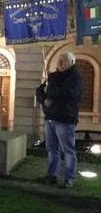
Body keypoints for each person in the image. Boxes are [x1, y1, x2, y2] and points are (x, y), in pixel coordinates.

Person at [35, 52, 83, 188]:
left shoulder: (76, 78)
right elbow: (39, 91)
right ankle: (52, 175)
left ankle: (69, 178)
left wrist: (50, 91)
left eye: (63, 61)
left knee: (68, 150)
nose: (60, 64)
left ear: (71, 62)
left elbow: (69, 94)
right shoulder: (53, 77)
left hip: (65, 119)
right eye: (59, 61)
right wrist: (44, 99)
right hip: (50, 117)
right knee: (52, 149)